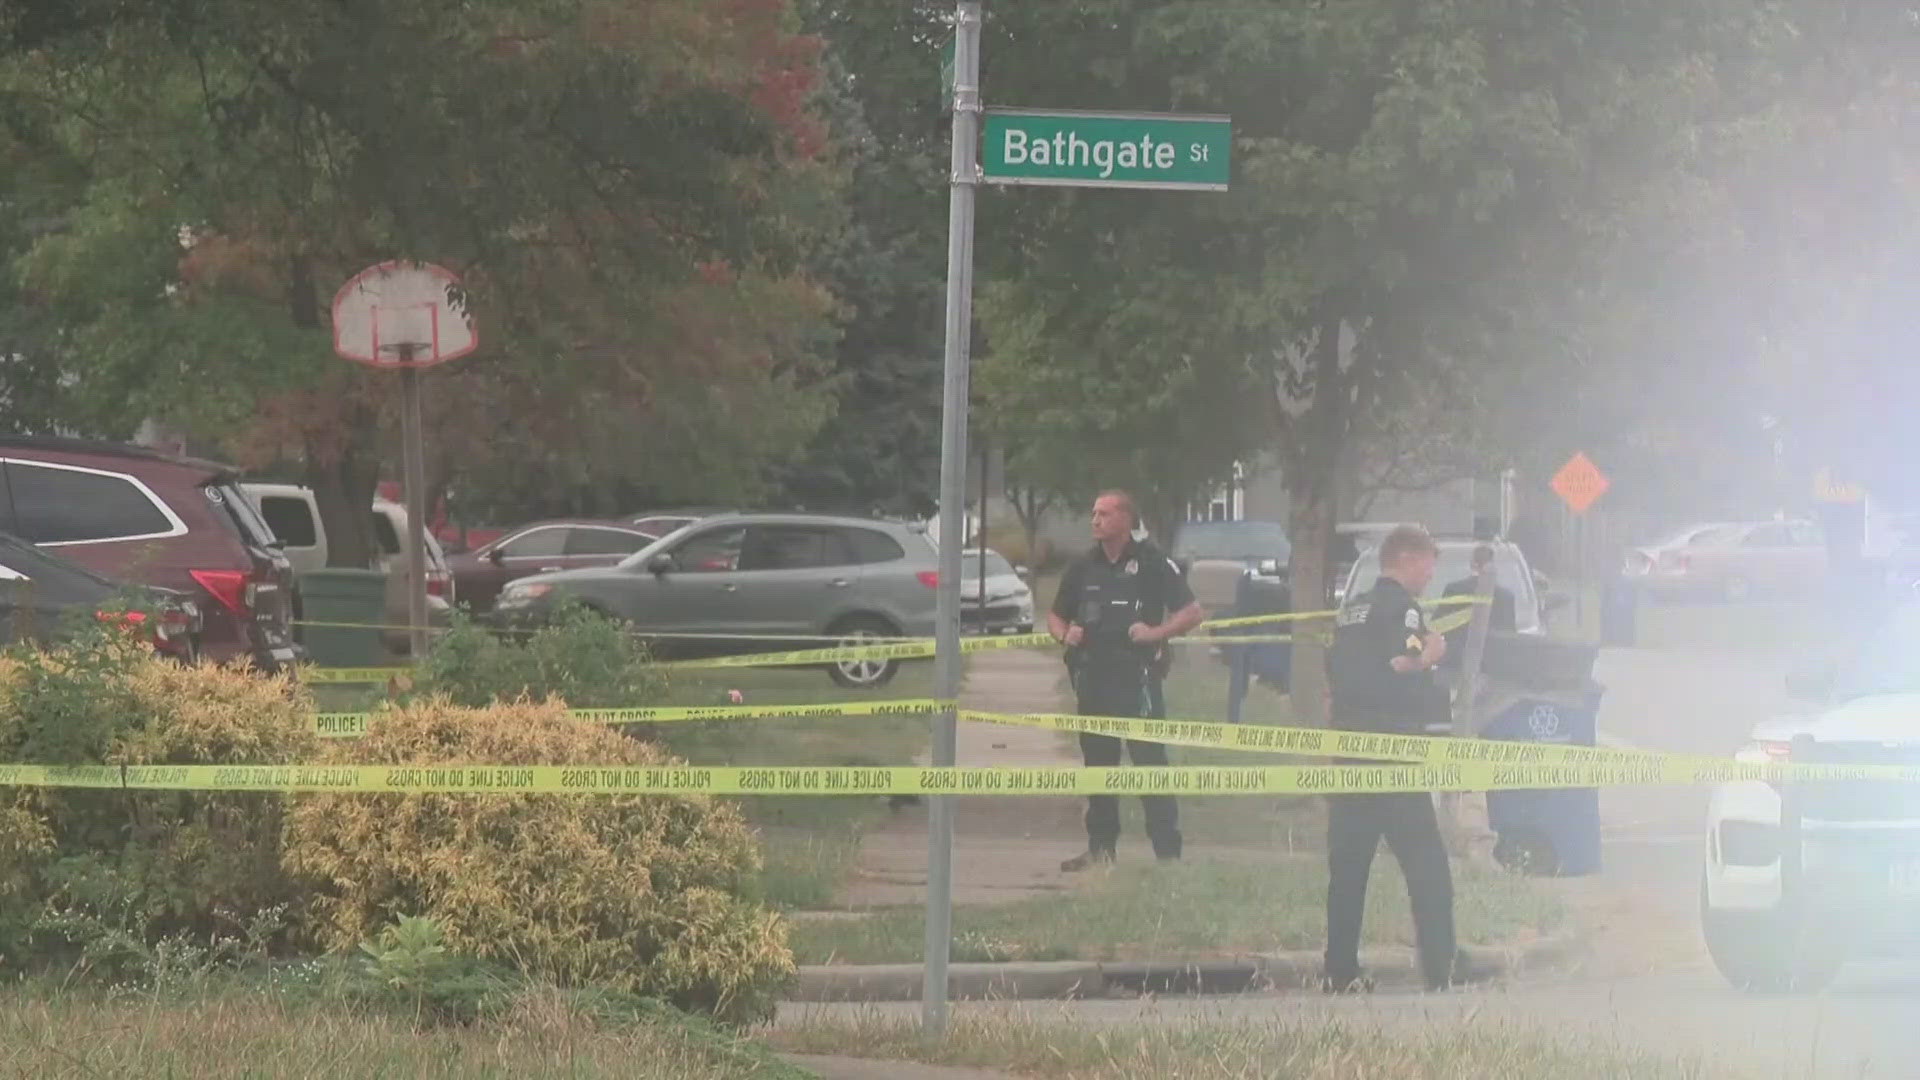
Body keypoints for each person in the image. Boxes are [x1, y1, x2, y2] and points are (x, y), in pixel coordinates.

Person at [1323, 524, 1458, 992]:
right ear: (1410, 559)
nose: (1430, 576)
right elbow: (1405, 662)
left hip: (1348, 749)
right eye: (1428, 566)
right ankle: (1442, 969)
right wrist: (1434, 653)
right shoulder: (1403, 610)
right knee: (1427, 866)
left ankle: (1339, 971)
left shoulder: (1350, 611)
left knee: (1347, 869)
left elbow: (1333, 674)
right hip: (1393, 752)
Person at [1048, 490, 1206, 869]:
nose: (1095, 520)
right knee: (1099, 767)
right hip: (1093, 681)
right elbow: (1055, 615)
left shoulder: (1152, 562)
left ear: (1125, 519)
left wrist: (1155, 634)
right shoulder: (1083, 566)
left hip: (1138, 683)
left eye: (1103, 514)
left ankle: (1168, 854)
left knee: (1150, 764)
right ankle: (1101, 850)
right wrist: (1063, 634)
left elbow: (1193, 612)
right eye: (1093, 513)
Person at [1441, 544, 1517, 657]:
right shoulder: (1506, 597)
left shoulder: (1453, 590)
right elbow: (1509, 635)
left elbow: (1441, 627)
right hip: (1494, 660)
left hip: (1456, 660)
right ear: (1492, 564)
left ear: (1472, 564)